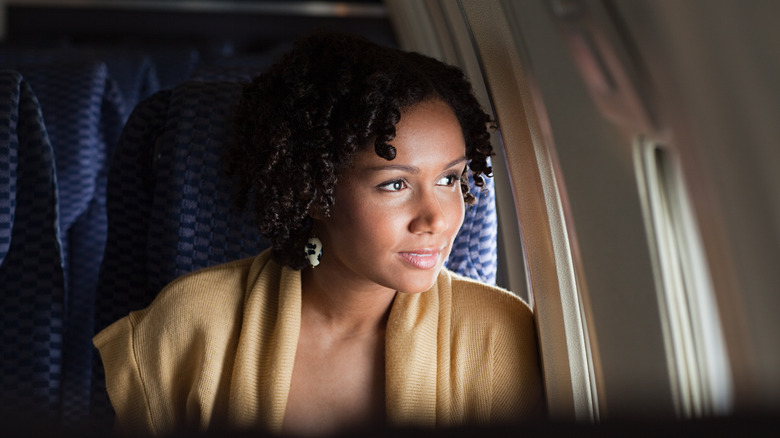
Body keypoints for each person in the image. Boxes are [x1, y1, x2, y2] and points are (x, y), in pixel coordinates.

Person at [94, 32, 544, 437]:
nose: (436, 219)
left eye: (449, 180)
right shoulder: (189, 325)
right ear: (314, 191)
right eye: (395, 184)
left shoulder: (499, 336)